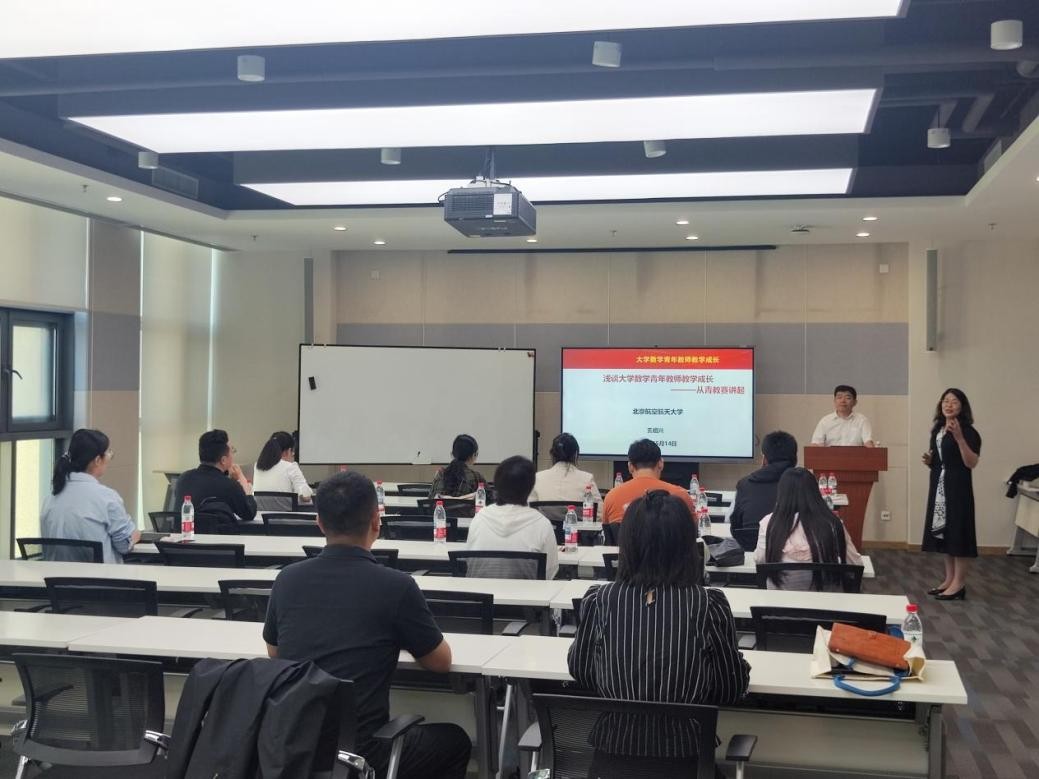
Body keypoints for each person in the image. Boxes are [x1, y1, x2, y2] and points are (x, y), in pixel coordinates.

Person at [263, 471, 471, 779]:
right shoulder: (396, 586)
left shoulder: (286, 579)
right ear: (376, 521)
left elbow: (275, 652)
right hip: (361, 753)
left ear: (319, 522)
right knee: (456, 741)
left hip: (295, 747)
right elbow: (441, 662)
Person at [568, 491, 749, 775]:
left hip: (611, 763)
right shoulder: (707, 603)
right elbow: (730, 688)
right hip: (685, 762)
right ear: (688, 545)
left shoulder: (599, 600)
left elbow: (581, 671)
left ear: (628, 544)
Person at [40, 429, 140, 563]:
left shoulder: (50, 499)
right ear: (97, 460)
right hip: (100, 576)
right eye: (108, 453)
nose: (109, 458)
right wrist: (136, 534)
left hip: (56, 576)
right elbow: (124, 545)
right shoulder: (106, 497)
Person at [754, 467, 863, 591]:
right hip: (827, 601)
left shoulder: (769, 523)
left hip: (779, 601)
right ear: (815, 493)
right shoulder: (832, 523)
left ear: (782, 493)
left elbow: (760, 560)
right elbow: (855, 564)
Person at [921, 388, 981, 601]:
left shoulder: (969, 432)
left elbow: (971, 462)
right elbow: (942, 459)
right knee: (946, 533)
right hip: (940, 486)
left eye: (954, 401)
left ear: (962, 406)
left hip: (958, 488)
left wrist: (959, 438)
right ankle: (949, 579)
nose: (948, 405)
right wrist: (931, 461)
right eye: (945, 401)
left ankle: (959, 583)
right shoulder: (938, 429)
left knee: (959, 532)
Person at [465, 456, 559, 579]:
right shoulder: (542, 524)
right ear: (530, 487)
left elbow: (469, 563)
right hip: (527, 591)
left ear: (497, 484)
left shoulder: (479, 518)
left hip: (480, 591)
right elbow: (549, 572)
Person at [602, 439, 696, 525]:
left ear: (630, 466)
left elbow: (607, 533)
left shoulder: (612, 497)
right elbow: (693, 532)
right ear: (660, 463)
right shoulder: (681, 496)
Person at [174, 429, 257, 524]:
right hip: (219, 534)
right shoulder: (229, 485)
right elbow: (249, 513)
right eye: (232, 451)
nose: (233, 455)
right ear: (223, 460)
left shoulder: (183, 479)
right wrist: (242, 480)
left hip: (185, 533)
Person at [729, 431, 798, 543]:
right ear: (795, 459)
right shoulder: (804, 483)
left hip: (751, 548)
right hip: (794, 550)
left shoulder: (744, 484)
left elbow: (734, 525)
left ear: (765, 459)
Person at [528, 432, 602, 508]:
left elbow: (529, 509)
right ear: (575, 454)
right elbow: (598, 511)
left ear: (552, 454)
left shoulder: (537, 478)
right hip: (576, 516)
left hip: (544, 517)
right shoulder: (587, 479)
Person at [252, 430, 313, 507]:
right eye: (292, 451)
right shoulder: (291, 467)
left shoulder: (257, 466)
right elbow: (306, 497)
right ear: (287, 451)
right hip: (286, 514)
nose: (293, 454)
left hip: (261, 514)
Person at [810, 384, 875, 447]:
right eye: (839, 397)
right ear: (834, 401)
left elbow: (868, 442)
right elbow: (816, 444)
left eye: (848, 398)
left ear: (855, 402)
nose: (843, 401)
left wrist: (872, 448)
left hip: (855, 455)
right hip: (830, 455)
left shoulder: (862, 420)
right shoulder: (825, 421)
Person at [429, 434, 486, 499]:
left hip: (440, 506)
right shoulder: (476, 478)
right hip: (466, 506)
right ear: (474, 455)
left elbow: (430, 500)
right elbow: (489, 499)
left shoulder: (440, 474)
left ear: (452, 454)